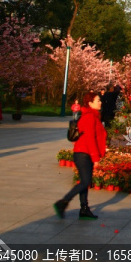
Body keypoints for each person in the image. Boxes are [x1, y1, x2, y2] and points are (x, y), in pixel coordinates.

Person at [54, 91, 106, 220]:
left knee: (84, 182)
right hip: (84, 154)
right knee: (85, 181)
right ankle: (63, 202)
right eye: (98, 100)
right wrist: (95, 158)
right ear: (90, 103)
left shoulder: (93, 116)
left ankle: (84, 209)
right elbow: (89, 139)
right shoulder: (89, 117)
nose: (100, 102)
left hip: (84, 153)